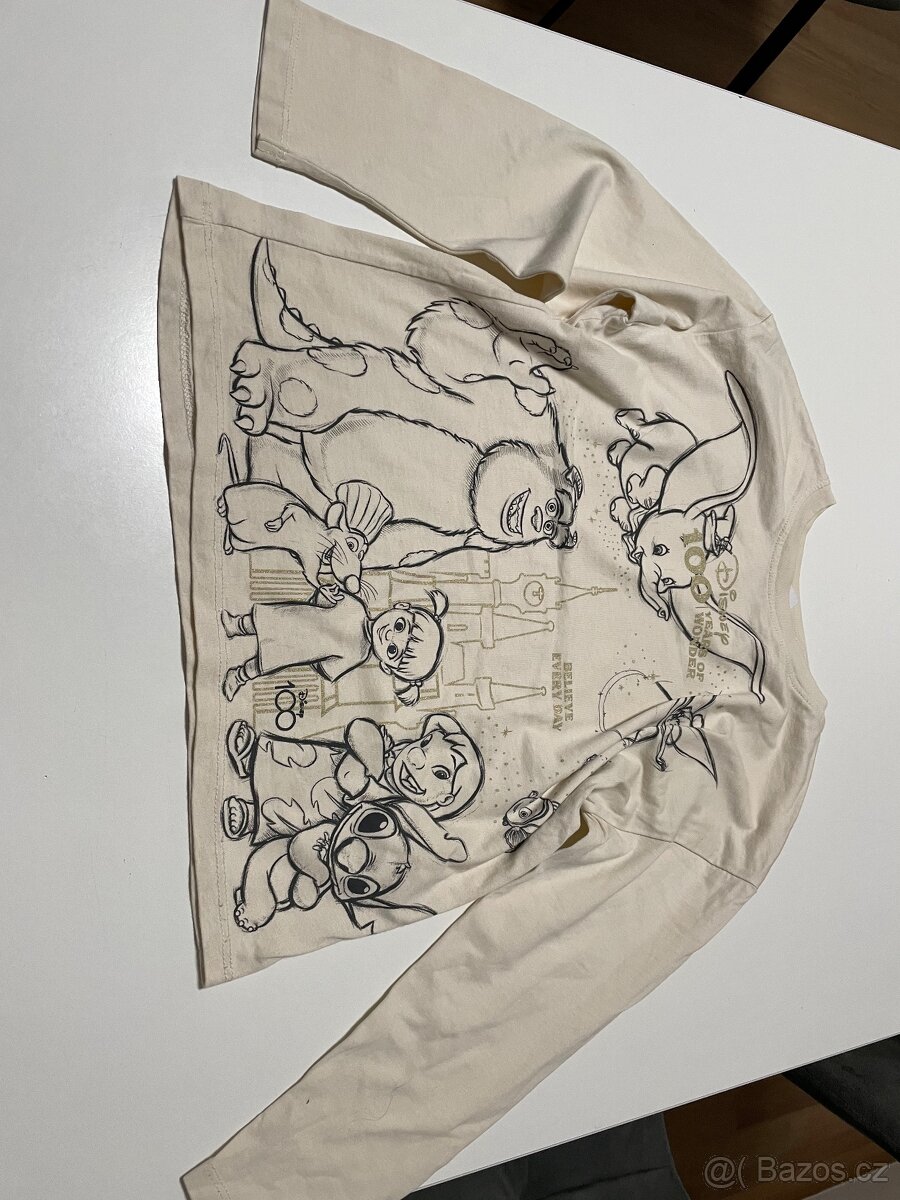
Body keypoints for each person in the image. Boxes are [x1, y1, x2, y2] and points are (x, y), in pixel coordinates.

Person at [220, 588, 449, 707]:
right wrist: (325, 594)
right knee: (263, 621)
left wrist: (315, 656)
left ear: (387, 667)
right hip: (299, 616)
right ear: (401, 606)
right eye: (400, 625)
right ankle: (235, 625)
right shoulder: (356, 607)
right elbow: (321, 601)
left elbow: (328, 670)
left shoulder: (359, 654)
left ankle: (238, 675)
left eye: (392, 651)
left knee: (266, 660)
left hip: (302, 650)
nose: (388, 635)